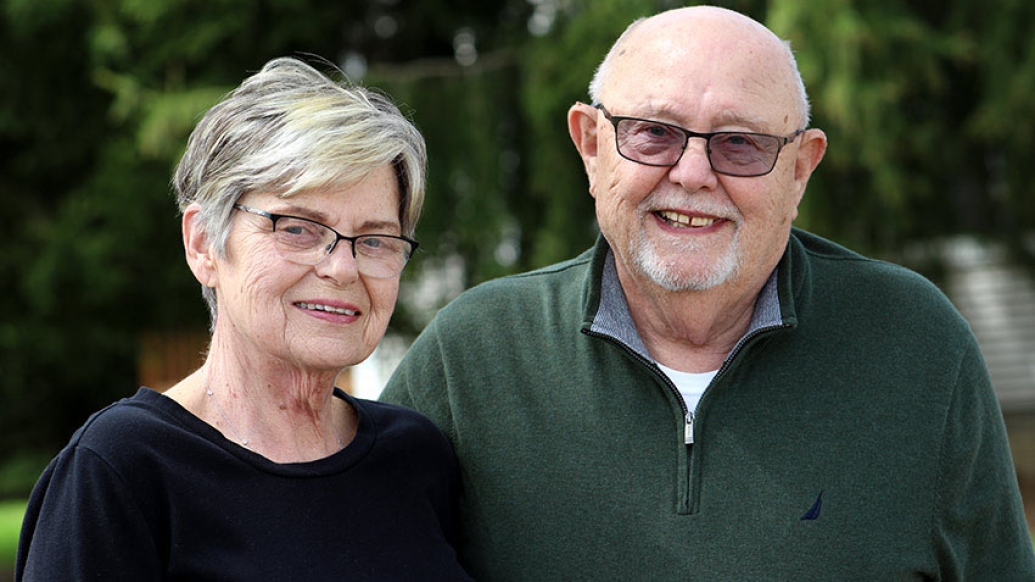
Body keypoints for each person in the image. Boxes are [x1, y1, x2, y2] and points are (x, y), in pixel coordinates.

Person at [381, 6, 1035, 580]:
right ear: (589, 145)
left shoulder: (915, 344)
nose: (692, 175)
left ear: (800, 168)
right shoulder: (474, 356)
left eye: (739, 144)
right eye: (654, 133)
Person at [17, 57, 472, 580]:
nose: (343, 267)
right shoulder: (122, 468)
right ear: (204, 244)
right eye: (298, 228)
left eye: (374, 240)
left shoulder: (417, 456)